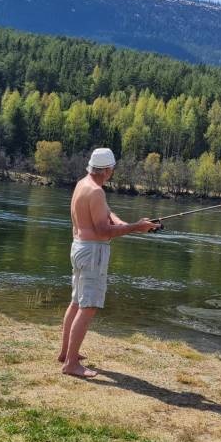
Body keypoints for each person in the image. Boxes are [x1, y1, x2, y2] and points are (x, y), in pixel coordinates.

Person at [58, 147, 159, 377]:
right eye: (111, 169)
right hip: (93, 252)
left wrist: (129, 225)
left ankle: (66, 353)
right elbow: (103, 230)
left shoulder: (83, 184)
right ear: (105, 170)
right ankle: (71, 364)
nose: (112, 172)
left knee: (76, 302)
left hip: (79, 247)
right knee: (88, 306)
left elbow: (107, 214)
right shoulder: (96, 192)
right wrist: (136, 227)